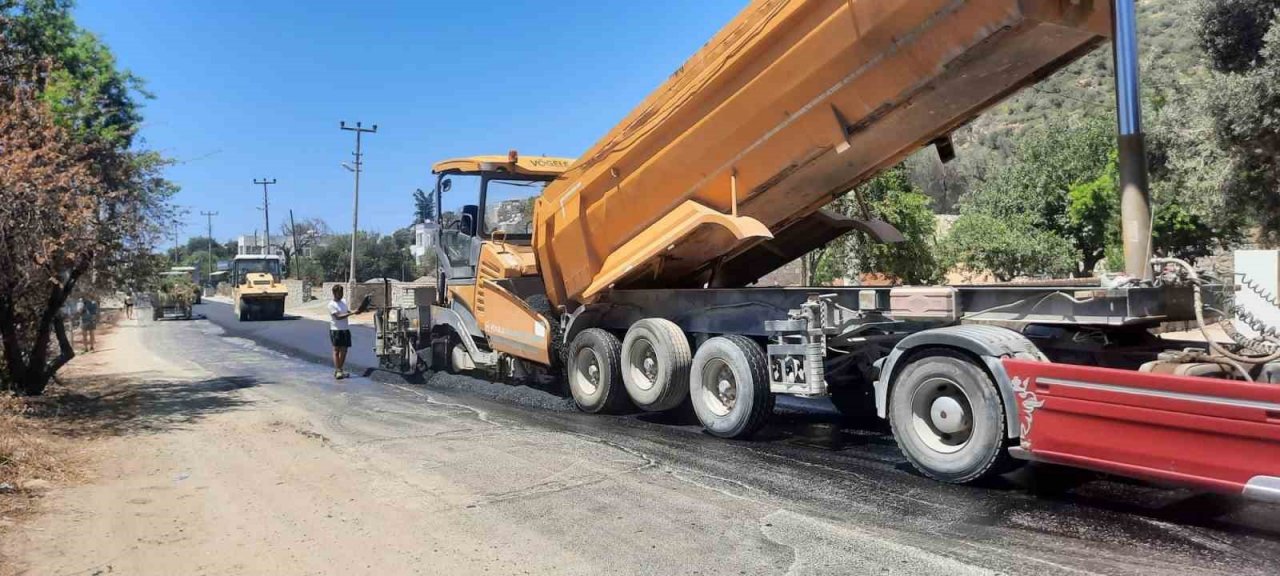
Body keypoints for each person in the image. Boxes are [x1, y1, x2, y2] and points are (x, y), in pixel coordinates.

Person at [328, 284, 353, 379]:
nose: (341, 294)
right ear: (334, 293)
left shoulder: (344, 302)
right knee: (336, 350)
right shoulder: (331, 305)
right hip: (336, 330)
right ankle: (338, 370)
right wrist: (350, 314)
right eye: (339, 293)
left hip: (345, 329)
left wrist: (353, 312)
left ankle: (340, 369)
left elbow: (347, 311)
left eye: (342, 292)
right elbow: (338, 317)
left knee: (344, 350)